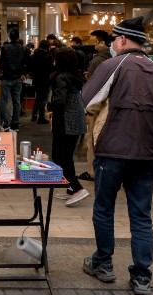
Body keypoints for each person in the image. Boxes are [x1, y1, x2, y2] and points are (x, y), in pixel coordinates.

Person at [81, 16, 153, 295]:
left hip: (113, 151)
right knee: (142, 214)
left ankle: (103, 263)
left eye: (113, 41)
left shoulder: (113, 64)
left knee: (104, 208)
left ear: (120, 41)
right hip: (150, 154)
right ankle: (142, 276)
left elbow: (87, 100)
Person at [47, 48, 89, 207]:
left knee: (59, 157)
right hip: (76, 121)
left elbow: (59, 101)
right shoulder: (75, 76)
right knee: (67, 155)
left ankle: (78, 188)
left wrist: (49, 106)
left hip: (65, 122)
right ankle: (71, 188)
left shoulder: (61, 78)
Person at [80, 29, 114, 181]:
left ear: (102, 43)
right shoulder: (115, 59)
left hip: (97, 107)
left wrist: (89, 111)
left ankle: (92, 172)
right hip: (112, 106)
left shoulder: (97, 61)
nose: (94, 45)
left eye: (96, 42)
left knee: (92, 140)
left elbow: (93, 87)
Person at [0, 28, 26, 130]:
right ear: (18, 37)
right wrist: (23, 73)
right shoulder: (23, 48)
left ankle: (5, 121)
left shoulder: (5, 48)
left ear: (9, 37)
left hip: (7, 77)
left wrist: (1, 72)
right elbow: (25, 62)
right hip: (18, 77)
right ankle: (15, 123)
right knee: (16, 101)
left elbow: (2, 62)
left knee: (3, 100)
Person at [29, 40, 53, 125]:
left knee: (38, 97)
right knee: (44, 98)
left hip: (36, 79)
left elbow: (31, 67)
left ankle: (34, 115)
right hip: (46, 79)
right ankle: (41, 117)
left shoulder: (34, 55)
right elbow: (50, 68)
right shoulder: (48, 56)